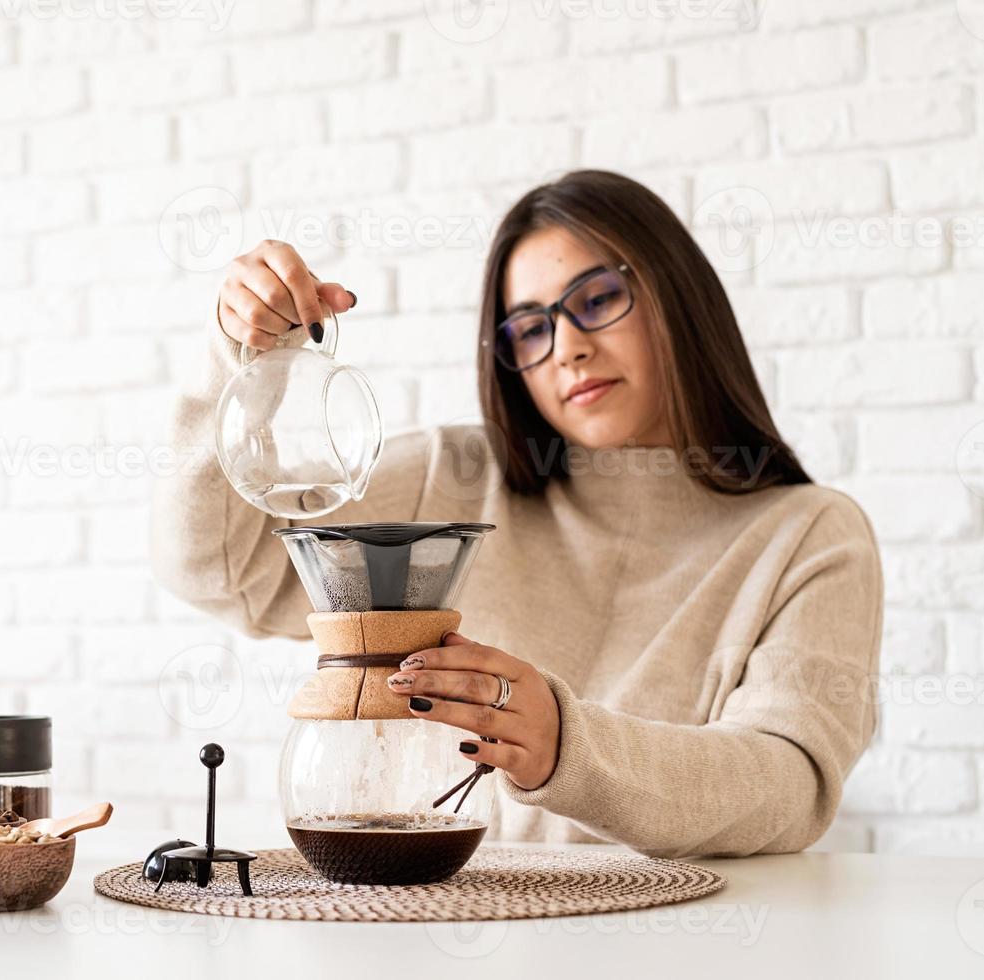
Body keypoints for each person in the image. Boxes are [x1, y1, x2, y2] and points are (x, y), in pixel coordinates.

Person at [150, 169, 883, 859]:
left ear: (676, 297)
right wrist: (236, 359)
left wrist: (566, 745)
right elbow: (221, 571)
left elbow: (787, 786)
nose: (567, 348)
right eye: (530, 329)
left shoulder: (808, 535)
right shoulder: (454, 480)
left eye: (596, 300)